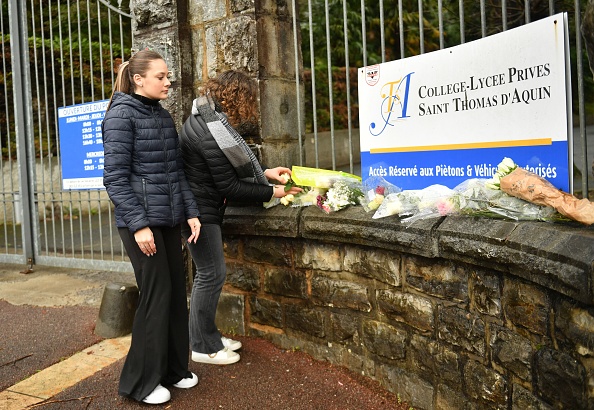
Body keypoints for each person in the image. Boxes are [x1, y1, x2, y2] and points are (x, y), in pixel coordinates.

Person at [179, 70, 302, 365]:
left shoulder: (207, 119)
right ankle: (202, 346)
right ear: (236, 97)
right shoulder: (211, 130)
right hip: (199, 212)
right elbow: (229, 185)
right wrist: (272, 192)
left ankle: (207, 335)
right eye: (248, 98)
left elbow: (227, 167)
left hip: (201, 207)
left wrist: (266, 172)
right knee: (210, 275)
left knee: (209, 275)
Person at [102, 49, 202, 405]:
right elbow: (114, 179)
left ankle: (174, 370)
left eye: (168, 76)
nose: (168, 81)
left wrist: (190, 211)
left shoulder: (161, 116)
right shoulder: (120, 116)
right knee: (156, 297)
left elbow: (175, 171)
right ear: (138, 79)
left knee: (175, 294)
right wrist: (140, 225)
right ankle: (140, 383)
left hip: (169, 219)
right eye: (161, 76)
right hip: (140, 225)